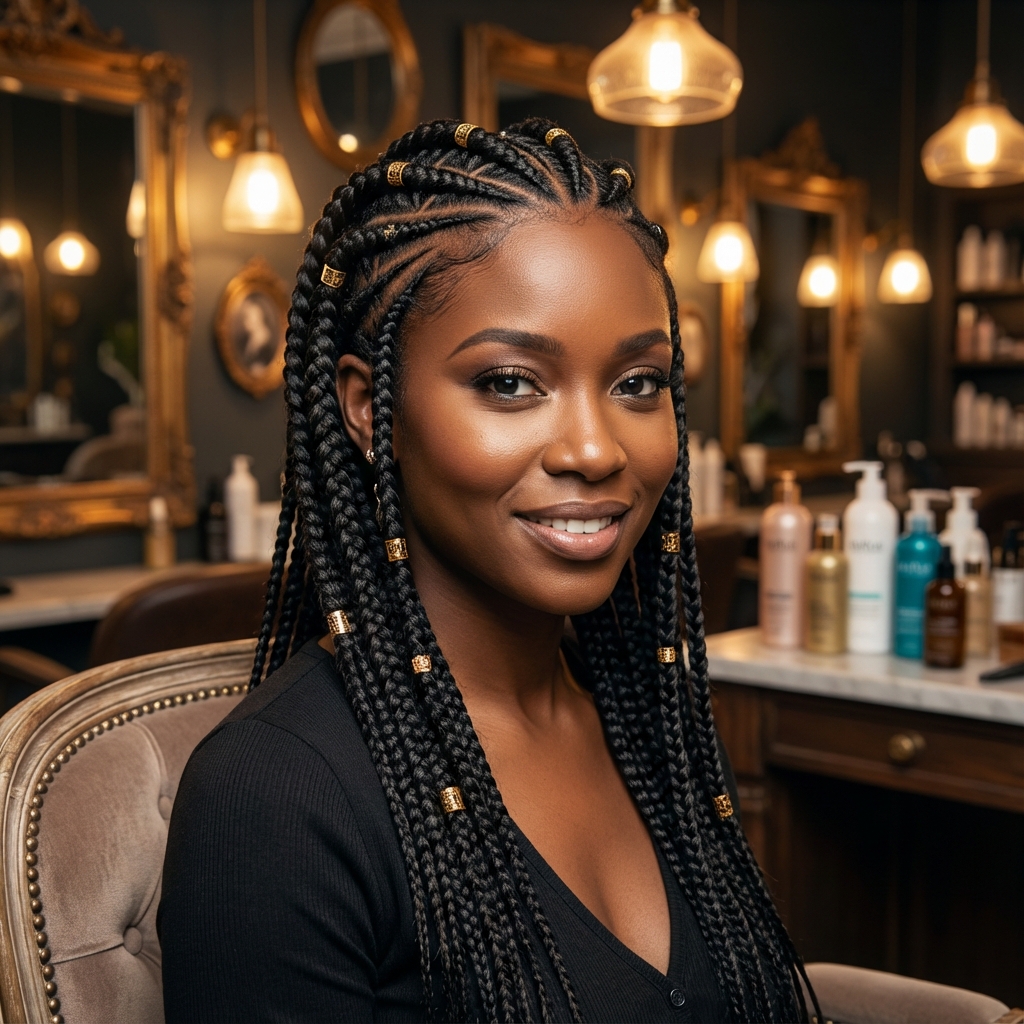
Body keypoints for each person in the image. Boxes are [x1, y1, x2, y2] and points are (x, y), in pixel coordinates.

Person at [159, 118, 816, 1023]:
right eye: (511, 382)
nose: (594, 448)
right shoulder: (276, 798)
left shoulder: (641, 717)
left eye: (638, 384)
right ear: (366, 407)